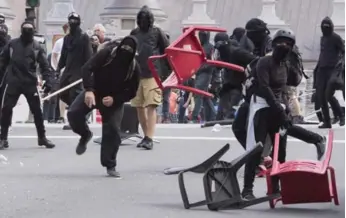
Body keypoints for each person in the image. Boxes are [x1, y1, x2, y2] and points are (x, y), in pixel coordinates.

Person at [242, 29, 326, 200]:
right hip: (261, 108)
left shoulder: (285, 64)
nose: (284, 46)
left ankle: (274, 188)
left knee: (280, 153)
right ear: (273, 44)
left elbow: (293, 82)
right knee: (256, 150)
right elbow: (264, 87)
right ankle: (247, 190)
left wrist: (295, 63)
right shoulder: (264, 62)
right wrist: (279, 108)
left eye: (288, 44)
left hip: (277, 107)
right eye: (280, 42)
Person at [67, 36, 140, 177]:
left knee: (112, 129)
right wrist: (88, 90)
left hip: (113, 99)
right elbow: (87, 68)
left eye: (129, 51)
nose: (125, 52)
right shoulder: (106, 53)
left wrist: (115, 99)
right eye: (123, 48)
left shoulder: (134, 68)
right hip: (95, 90)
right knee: (73, 113)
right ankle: (85, 134)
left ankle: (110, 164)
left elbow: (132, 92)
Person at [0, 21, 55, 149]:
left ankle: (42, 137)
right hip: (13, 81)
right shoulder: (12, 44)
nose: (27, 33)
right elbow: (2, 62)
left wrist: (48, 80)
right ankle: (3, 138)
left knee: (37, 111)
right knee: (6, 109)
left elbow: (45, 65)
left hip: (30, 82)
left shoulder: (36, 46)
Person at [130, 5, 170, 150]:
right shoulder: (134, 33)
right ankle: (146, 136)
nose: (144, 20)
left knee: (151, 106)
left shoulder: (157, 32)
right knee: (139, 106)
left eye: (146, 18)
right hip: (136, 73)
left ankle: (150, 137)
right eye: (141, 18)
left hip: (153, 73)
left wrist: (168, 72)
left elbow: (167, 50)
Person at [57, 12, 93, 130]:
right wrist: (58, 69)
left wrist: (88, 71)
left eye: (75, 20)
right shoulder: (67, 38)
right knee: (62, 92)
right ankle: (78, 112)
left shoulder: (84, 37)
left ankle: (77, 118)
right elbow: (63, 55)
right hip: (68, 70)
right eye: (71, 20)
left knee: (76, 94)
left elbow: (88, 56)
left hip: (79, 70)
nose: (72, 23)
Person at [214, 32, 256, 120]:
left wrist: (249, 74)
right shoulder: (222, 52)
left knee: (230, 112)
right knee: (220, 114)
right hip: (228, 85)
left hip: (239, 85)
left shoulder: (237, 52)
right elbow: (218, 67)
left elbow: (255, 60)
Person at [314, 17, 345, 128]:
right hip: (322, 69)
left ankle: (341, 116)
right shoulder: (322, 39)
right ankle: (327, 121)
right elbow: (322, 54)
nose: (325, 29)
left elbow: (343, 51)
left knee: (328, 94)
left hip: (332, 69)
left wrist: (340, 65)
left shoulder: (336, 38)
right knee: (321, 96)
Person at [190, 31, 216, 123]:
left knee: (198, 93)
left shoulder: (210, 47)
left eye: (201, 36)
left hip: (206, 73)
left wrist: (202, 68)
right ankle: (213, 115)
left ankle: (195, 116)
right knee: (204, 95)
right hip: (199, 72)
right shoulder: (200, 47)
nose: (200, 37)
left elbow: (213, 62)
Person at [51, 23, 69, 124]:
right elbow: (54, 55)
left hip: (74, 70)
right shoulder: (60, 42)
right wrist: (56, 68)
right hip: (63, 71)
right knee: (63, 92)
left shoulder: (78, 41)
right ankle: (62, 116)